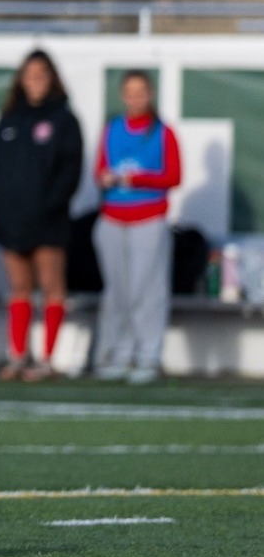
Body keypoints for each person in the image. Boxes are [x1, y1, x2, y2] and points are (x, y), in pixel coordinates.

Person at [0, 49, 82, 381]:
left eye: (42, 74)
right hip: (11, 222)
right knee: (19, 288)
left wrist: (48, 207)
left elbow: (70, 172)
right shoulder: (9, 120)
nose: (35, 80)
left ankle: (49, 358)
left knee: (52, 286)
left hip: (48, 221)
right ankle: (18, 355)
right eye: (29, 74)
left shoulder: (64, 120)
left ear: (52, 78)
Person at [92, 70, 180, 384]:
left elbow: (173, 176)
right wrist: (107, 178)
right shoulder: (112, 129)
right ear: (122, 95)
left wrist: (136, 179)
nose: (135, 97)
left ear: (150, 93)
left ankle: (148, 356)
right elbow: (99, 169)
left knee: (147, 291)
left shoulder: (163, 132)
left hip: (149, 218)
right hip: (113, 218)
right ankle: (117, 353)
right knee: (118, 291)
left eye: (141, 91)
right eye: (129, 91)